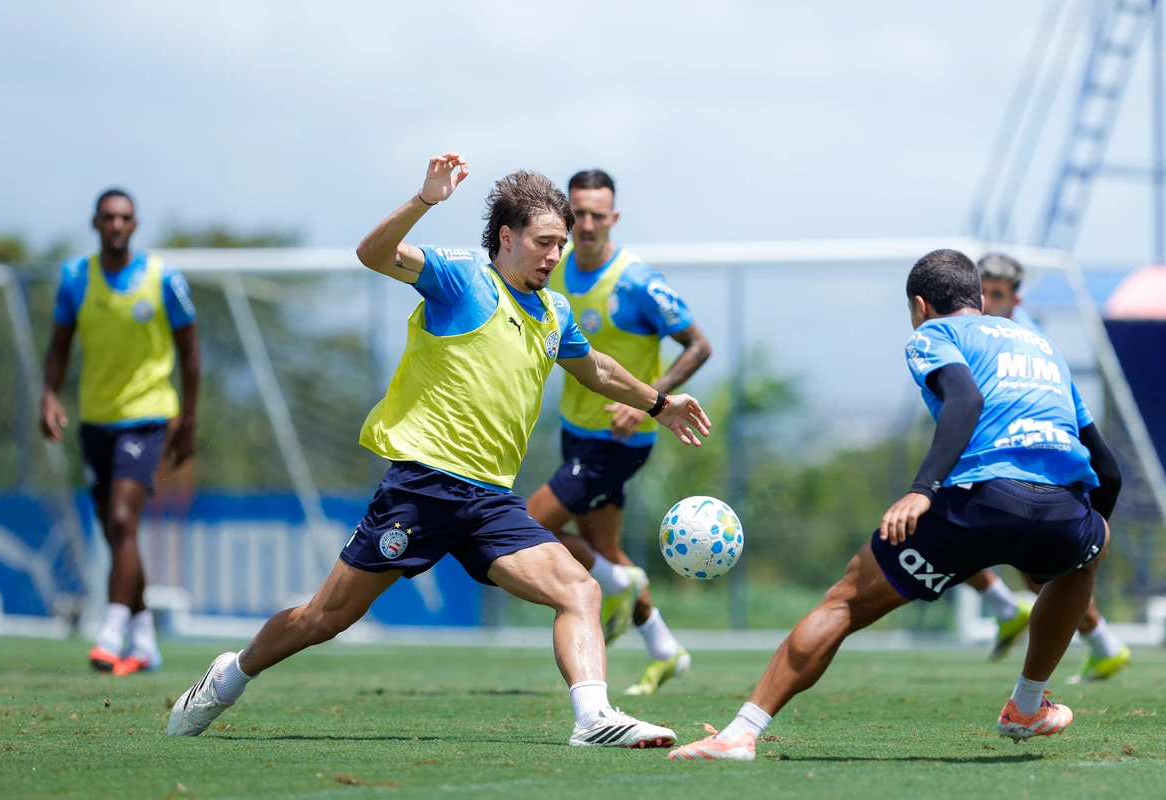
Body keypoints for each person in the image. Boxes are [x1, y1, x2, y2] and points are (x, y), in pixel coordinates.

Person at [167, 153, 711, 748]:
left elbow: (596, 368)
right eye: (545, 242)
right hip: (423, 487)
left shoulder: (554, 310)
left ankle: (594, 719)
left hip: (491, 503)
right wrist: (424, 201)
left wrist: (660, 402)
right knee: (325, 619)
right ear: (507, 238)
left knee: (579, 588)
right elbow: (372, 255)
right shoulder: (461, 278)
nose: (557, 255)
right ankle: (229, 676)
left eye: (561, 244)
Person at [669, 249, 1122, 761]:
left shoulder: (935, 334)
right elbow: (1108, 470)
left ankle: (738, 733)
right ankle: (1026, 706)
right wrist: (1090, 536)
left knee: (843, 603)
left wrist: (922, 489)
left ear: (920, 305)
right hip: (1063, 508)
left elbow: (965, 401)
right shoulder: (1042, 345)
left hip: (980, 500)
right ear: (978, 298)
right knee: (1085, 557)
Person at [526, 169, 712, 696]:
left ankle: (613, 584)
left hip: (620, 440)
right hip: (574, 430)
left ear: (614, 218)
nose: (586, 224)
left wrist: (652, 400)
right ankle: (664, 648)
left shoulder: (636, 281)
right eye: (577, 214)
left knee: (526, 527)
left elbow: (698, 345)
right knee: (602, 548)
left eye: (597, 215)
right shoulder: (552, 268)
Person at [40, 188, 200, 676]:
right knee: (116, 532)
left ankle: (109, 631)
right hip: (96, 420)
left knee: (124, 517)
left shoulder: (163, 279)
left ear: (135, 225)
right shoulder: (75, 279)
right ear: (95, 223)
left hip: (149, 416)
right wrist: (49, 395)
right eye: (108, 217)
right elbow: (59, 347)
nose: (115, 224)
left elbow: (191, 356)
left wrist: (188, 422)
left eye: (124, 217)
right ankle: (145, 636)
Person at [967, 253, 1131, 683]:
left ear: (1016, 298)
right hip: (1007, 461)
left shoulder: (1025, 337)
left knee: (945, 528)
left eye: (996, 293)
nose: (986, 300)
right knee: (1038, 573)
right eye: (980, 290)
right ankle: (1101, 644)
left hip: (1037, 462)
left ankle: (1014, 617)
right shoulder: (979, 333)